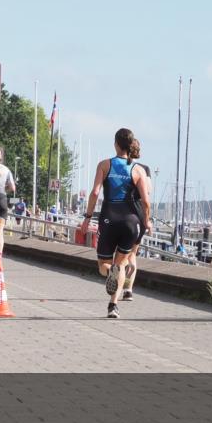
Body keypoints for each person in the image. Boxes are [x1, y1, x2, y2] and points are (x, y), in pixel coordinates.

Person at [77, 128, 152, 319]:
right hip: (131, 221)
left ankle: (111, 272)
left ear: (116, 144)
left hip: (109, 217)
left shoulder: (104, 165)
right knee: (122, 263)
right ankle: (113, 305)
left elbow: (94, 193)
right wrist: (147, 221)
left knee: (104, 265)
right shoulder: (138, 170)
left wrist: (87, 217)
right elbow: (145, 201)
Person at [122, 138, 151, 301]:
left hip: (123, 211)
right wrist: (148, 220)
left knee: (121, 253)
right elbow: (148, 194)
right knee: (133, 252)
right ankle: (128, 289)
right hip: (139, 212)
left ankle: (121, 283)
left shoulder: (118, 167)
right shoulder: (144, 169)